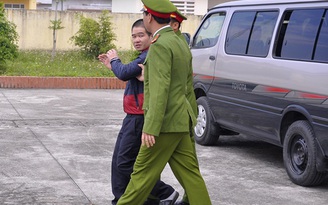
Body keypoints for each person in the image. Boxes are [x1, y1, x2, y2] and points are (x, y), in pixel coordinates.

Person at [117, 0, 212, 204]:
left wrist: (150, 128)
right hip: (180, 120)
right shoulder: (179, 42)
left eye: (144, 13)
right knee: (191, 176)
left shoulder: (160, 45)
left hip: (164, 125)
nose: (143, 17)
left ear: (149, 17)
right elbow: (187, 86)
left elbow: (160, 92)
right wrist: (191, 117)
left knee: (140, 176)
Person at [98, 19, 178, 205]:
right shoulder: (142, 56)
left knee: (125, 163)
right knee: (118, 163)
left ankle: (164, 192)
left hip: (140, 118)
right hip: (131, 116)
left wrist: (115, 61)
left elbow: (125, 72)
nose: (136, 39)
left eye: (141, 35)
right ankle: (120, 199)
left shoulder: (149, 56)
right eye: (133, 36)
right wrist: (114, 67)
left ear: (151, 36)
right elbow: (126, 72)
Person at [170, 10, 195, 205]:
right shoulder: (178, 43)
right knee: (189, 166)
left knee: (144, 167)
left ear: (176, 25)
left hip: (178, 113)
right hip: (185, 111)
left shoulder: (175, 45)